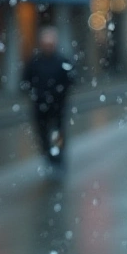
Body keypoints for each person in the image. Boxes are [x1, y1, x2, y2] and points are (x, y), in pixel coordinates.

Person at [21, 27, 75, 174]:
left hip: (57, 106)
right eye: (46, 44)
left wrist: (61, 94)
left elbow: (70, 80)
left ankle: (59, 157)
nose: (48, 47)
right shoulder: (35, 62)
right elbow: (26, 80)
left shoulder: (61, 61)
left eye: (50, 44)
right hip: (40, 106)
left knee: (58, 133)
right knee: (42, 134)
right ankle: (49, 158)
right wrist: (36, 94)